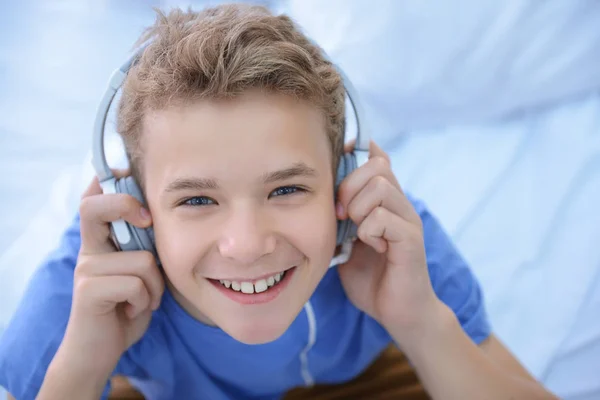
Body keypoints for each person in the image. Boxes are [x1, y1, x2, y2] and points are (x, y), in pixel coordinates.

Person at [0, 4, 556, 400]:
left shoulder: (389, 241)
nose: (247, 245)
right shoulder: (86, 293)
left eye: (286, 189)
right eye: (197, 199)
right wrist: (83, 363)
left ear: (343, 182)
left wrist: (420, 322)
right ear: (136, 213)